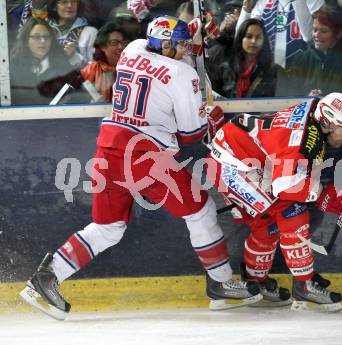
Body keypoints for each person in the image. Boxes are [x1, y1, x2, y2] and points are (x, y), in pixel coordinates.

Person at [20, 15, 261, 320]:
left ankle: (48, 276)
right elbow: (191, 136)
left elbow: (160, 78)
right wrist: (204, 110)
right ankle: (221, 283)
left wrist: (189, 63)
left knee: (108, 228)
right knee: (200, 209)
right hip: (144, 154)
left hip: (109, 145)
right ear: (164, 44)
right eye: (177, 45)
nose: (182, 49)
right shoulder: (183, 74)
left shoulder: (133, 49)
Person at [206, 92, 342, 311]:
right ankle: (304, 285)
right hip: (233, 165)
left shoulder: (315, 109)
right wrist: (328, 197)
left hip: (248, 153)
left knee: (267, 228)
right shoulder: (300, 145)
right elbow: (287, 188)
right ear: (327, 123)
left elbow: (321, 100)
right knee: (292, 211)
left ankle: (256, 281)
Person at [282, 4, 342, 96]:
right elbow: (291, 96)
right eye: (315, 30)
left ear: (339, 33)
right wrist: (306, 100)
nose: (317, 35)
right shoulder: (302, 60)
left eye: (323, 31)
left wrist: (325, 99)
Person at [9, 17, 81, 105]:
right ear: (26, 40)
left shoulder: (63, 66)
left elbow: (78, 95)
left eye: (46, 36)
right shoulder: (13, 67)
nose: (43, 41)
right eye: (36, 37)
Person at [208, 18, 277, 98]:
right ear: (241, 39)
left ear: (263, 41)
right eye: (249, 36)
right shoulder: (225, 63)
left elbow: (267, 101)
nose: (253, 41)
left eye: (258, 37)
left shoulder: (268, 68)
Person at [80, 21, 130, 103]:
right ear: (102, 46)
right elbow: (80, 102)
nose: (121, 47)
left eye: (123, 43)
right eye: (114, 43)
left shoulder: (133, 70)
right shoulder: (89, 71)